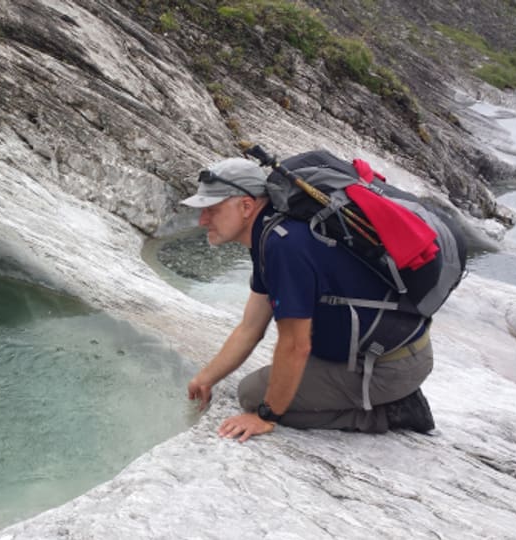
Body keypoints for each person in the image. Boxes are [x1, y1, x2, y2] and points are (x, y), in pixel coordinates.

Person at [181, 157, 435, 442]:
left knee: (253, 395)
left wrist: (266, 416)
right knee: (272, 384)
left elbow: (295, 345)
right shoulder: (271, 233)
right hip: (392, 350)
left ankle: (388, 412)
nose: (203, 220)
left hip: (388, 365)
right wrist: (206, 377)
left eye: (212, 210)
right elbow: (250, 327)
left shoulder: (284, 246)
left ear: (246, 206)